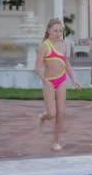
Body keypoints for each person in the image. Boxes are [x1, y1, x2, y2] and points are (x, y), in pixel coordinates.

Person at [34, 18, 82, 151]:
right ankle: (43, 116)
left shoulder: (63, 44)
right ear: (49, 30)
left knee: (61, 112)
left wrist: (73, 79)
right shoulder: (44, 46)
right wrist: (45, 80)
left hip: (61, 80)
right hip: (49, 82)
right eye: (55, 31)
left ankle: (56, 141)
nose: (58, 33)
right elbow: (37, 68)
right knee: (52, 113)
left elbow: (66, 63)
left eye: (60, 31)